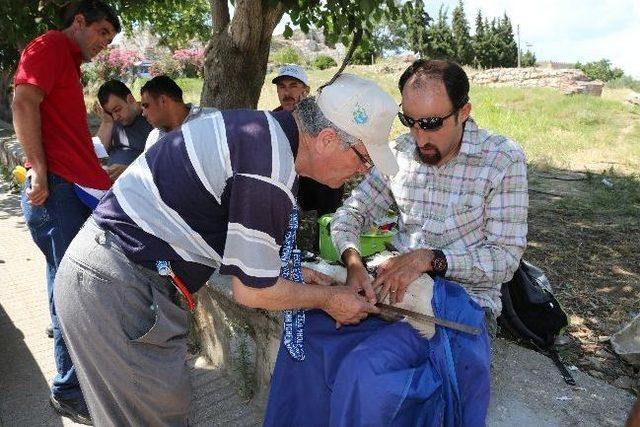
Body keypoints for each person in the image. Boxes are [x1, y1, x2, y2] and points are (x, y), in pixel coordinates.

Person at [54, 73, 399, 425]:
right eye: (364, 158)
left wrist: (284, 272)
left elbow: (223, 231)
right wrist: (329, 299)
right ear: (327, 139)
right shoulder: (270, 168)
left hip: (112, 276)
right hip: (119, 287)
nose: (362, 170)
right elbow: (252, 291)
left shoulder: (260, 133)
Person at [263, 60, 528, 426]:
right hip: (396, 295)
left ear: (463, 111)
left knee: (365, 373)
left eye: (432, 123)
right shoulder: (401, 154)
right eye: (411, 121)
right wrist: (354, 263)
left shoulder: (501, 159)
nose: (420, 136)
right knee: (305, 340)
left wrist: (429, 259)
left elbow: (505, 259)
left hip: (460, 308)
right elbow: (349, 215)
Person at [11, 1, 119, 424]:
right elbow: (23, 102)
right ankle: (69, 389)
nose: (104, 45)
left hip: (66, 187)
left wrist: (93, 170)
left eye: (110, 40)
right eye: (102, 32)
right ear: (79, 22)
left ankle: (68, 363)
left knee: (62, 280)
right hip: (55, 191)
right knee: (72, 291)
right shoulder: (52, 45)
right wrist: (38, 170)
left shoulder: (67, 61)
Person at [273, 64, 344, 250]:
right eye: (282, 87)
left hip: (313, 180)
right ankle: (282, 250)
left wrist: (304, 112)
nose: (286, 92)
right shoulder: (274, 118)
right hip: (287, 178)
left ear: (306, 90)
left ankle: (325, 243)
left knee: (331, 180)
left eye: (293, 86)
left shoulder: (320, 115)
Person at [94, 79, 153, 181]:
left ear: (130, 99)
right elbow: (95, 154)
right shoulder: (112, 120)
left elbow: (160, 165)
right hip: (110, 186)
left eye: (117, 110)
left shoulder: (152, 118)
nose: (115, 117)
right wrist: (107, 122)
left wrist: (130, 171)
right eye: (110, 112)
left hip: (137, 183)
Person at [141, 75, 217, 150]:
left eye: (146, 106)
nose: (143, 114)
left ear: (162, 100)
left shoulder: (211, 119)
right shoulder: (153, 139)